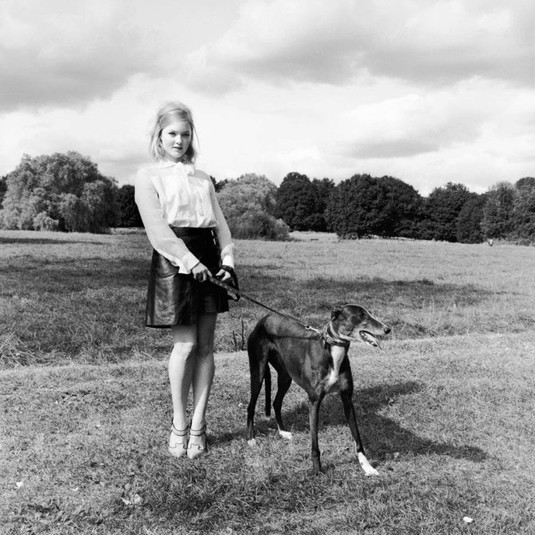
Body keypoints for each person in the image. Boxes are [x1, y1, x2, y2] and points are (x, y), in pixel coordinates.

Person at [135, 101, 236, 460]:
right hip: (174, 260)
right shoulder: (148, 176)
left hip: (208, 258)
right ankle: (179, 424)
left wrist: (227, 263)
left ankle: (198, 426)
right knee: (186, 346)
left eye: (185, 134)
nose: (179, 140)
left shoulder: (203, 178)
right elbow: (158, 231)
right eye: (172, 134)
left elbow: (221, 226)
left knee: (206, 347)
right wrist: (190, 262)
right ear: (159, 136)